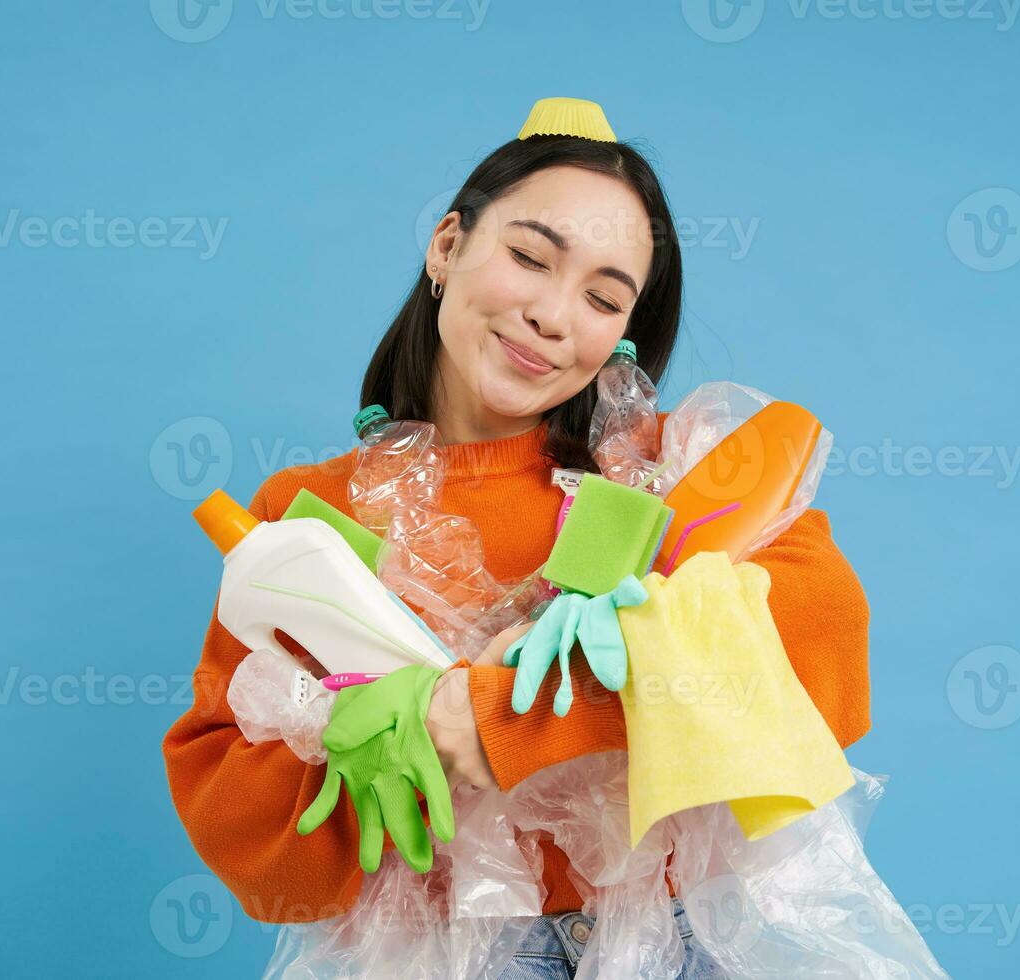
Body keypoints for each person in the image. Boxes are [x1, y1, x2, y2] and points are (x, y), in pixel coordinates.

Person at [162, 97, 871, 979]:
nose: (553, 315)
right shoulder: (318, 519)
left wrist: (506, 717)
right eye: (530, 257)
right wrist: (392, 753)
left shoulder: (664, 483)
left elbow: (824, 643)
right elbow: (244, 839)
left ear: (623, 336)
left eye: (604, 298)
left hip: (671, 950)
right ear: (447, 247)